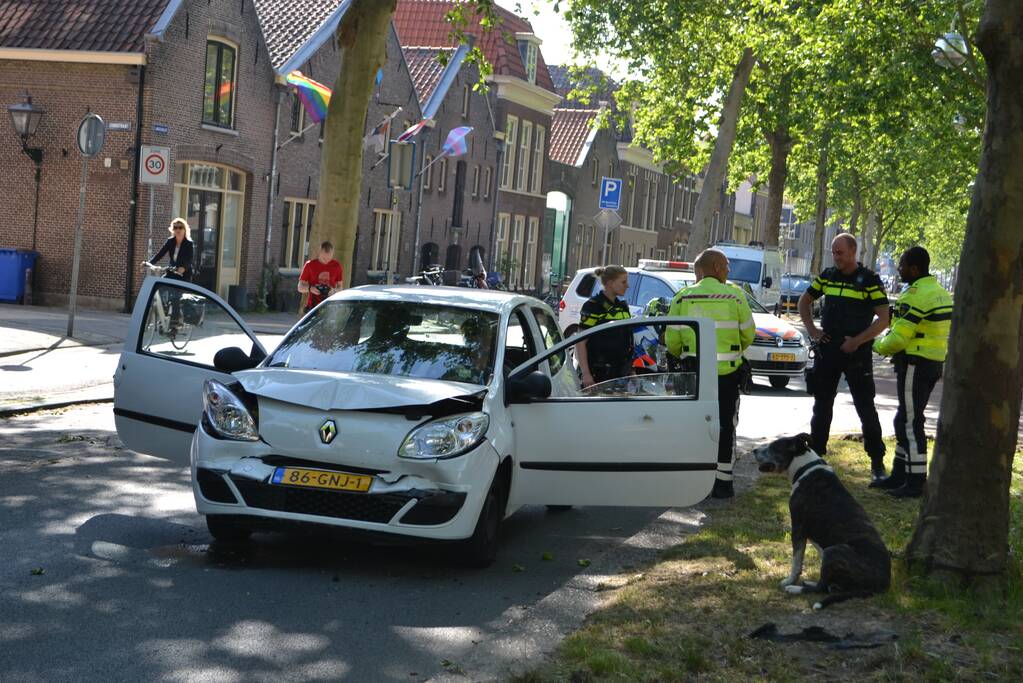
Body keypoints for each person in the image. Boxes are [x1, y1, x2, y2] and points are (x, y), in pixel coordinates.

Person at [799, 233, 890, 482]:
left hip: (857, 352)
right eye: (833, 252)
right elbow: (804, 302)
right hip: (828, 349)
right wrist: (814, 331)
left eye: (840, 252)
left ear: (853, 252)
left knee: (865, 406)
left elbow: (884, 319)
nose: (836, 257)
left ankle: (877, 462)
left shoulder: (869, 280)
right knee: (822, 404)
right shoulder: (827, 276)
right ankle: (816, 457)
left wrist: (857, 341)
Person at [665, 248, 755, 499]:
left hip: (694, 375)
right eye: (726, 266)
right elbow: (748, 334)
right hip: (727, 375)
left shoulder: (682, 298)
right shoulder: (736, 296)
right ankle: (723, 483)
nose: (728, 271)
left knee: (694, 425)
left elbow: (671, 339)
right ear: (715, 267)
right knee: (725, 425)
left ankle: (694, 480)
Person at [871, 246, 952, 498]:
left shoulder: (914, 295)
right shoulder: (939, 293)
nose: (899, 268)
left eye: (903, 264)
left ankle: (915, 481)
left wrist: (874, 344)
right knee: (906, 418)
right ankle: (900, 474)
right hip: (933, 362)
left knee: (909, 421)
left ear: (915, 268)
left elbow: (898, 339)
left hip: (914, 363)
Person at [577, 265, 633, 388]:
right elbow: (580, 342)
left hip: (620, 374)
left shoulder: (622, 307)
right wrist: (586, 374)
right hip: (599, 374)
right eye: (623, 282)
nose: (627, 285)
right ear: (611, 283)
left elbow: (627, 341)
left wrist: (631, 370)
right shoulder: (593, 306)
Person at [142, 218, 194, 328]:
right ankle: (164, 313)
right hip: (172, 272)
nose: (178, 230)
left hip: (183, 275)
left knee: (175, 297)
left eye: (180, 227)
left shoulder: (189, 244)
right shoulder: (170, 241)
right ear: (172, 230)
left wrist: (183, 267)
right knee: (159, 287)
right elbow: (160, 254)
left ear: (185, 229)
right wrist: (148, 263)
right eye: (175, 227)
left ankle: (174, 324)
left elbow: (190, 259)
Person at [298, 241, 343, 313]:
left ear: (332, 254)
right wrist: (310, 288)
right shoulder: (309, 265)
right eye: (323, 258)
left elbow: (340, 287)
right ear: (319, 253)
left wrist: (333, 291)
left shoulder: (337, 266)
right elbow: (300, 287)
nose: (326, 261)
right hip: (313, 307)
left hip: (330, 306)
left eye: (329, 258)